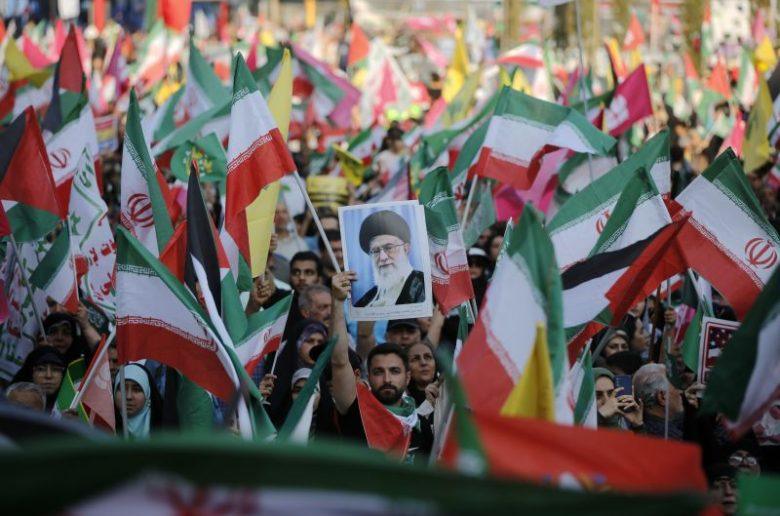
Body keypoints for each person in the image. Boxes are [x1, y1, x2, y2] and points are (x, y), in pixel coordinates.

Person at [329, 271, 433, 463]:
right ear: (368, 376)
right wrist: (337, 301)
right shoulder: (356, 410)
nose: (387, 379)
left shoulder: (420, 424)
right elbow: (340, 361)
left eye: (395, 371)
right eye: (378, 372)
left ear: (408, 377)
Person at [354, 210, 425, 307]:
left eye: (389, 248)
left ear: (406, 248)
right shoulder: (366, 300)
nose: (382, 257)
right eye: (375, 251)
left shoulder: (424, 284)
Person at [633, 363, 684, 439]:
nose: (680, 392)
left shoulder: (639, 427)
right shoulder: (670, 439)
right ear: (662, 397)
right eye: (676, 387)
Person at [114, 363, 163, 439]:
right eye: (123, 388)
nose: (128, 396)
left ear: (147, 394)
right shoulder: (102, 428)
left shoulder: (165, 428)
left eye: (136, 389)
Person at [11, 346, 67, 412]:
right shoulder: (13, 401)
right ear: (30, 373)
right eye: (41, 369)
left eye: (55, 369)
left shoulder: (70, 406)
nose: (48, 375)